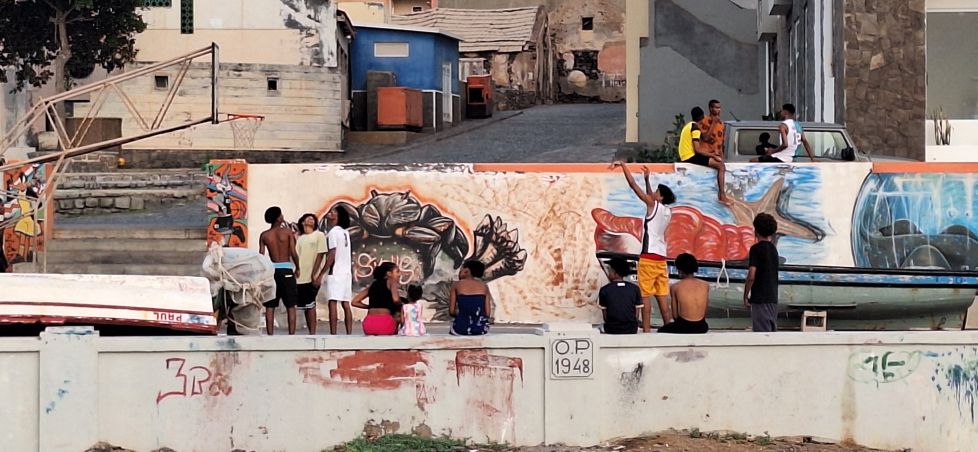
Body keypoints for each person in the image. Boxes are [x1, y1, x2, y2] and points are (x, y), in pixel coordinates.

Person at [612, 160, 676, 329]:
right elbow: (651, 200)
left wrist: (624, 166)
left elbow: (633, 185)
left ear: (660, 197)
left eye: (656, 191)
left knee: (645, 297)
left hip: (648, 258)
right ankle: (668, 327)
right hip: (661, 258)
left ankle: (647, 330)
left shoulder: (652, 205)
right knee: (662, 297)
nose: (653, 192)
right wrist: (648, 180)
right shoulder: (667, 211)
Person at [259, 206, 300, 335]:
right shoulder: (287, 232)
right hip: (286, 270)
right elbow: (293, 252)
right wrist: (298, 267)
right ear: (278, 218)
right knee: (290, 305)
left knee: (270, 306)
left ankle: (270, 335)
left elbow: (260, 256)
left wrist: (262, 274)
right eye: (281, 214)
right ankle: (291, 335)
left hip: (272, 271)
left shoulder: (264, 235)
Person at [678, 106, 731, 204]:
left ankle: (722, 195)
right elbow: (697, 150)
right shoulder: (695, 128)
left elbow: (705, 138)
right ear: (702, 117)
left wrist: (711, 153)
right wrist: (714, 156)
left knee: (715, 161)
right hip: (690, 157)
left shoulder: (689, 125)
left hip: (686, 155)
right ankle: (722, 195)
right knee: (721, 166)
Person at [743, 213, 780, 332]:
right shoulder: (774, 250)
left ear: (756, 231)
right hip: (772, 299)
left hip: (759, 299)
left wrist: (745, 295)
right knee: (771, 334)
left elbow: (751, 275)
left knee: (762, 336)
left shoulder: (755, 249)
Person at [658, 253, 709, 334]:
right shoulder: (705, 285)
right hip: (702, 327)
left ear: (679, 270)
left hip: (683, 326)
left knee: (661, 330)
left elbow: (675, 315)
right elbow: (705, 310)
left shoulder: (675, 287)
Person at [295, 213, 327, 335]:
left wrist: (315, 274)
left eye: (313, 219)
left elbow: (320, 254)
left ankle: (313, 332)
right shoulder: (300, 238)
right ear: (303, 222)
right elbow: (297, 256)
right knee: (305, 306)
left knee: (311, 303)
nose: (311, 220)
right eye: (308, 219)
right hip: (301, 276)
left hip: (312, 276)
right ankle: (309, 331)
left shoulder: (319, 235)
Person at [324, 206, 354, 335]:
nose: (330, 213)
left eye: (333, 212)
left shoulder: (332, 233)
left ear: (338, 216)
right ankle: (349, 332)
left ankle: (333, 333)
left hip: (336, 271)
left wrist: (322, 272)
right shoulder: (345, 233)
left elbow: (332, 253)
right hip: (346, 272)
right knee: (346, 303)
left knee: (332, 302)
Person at [351, 262, 401, 336]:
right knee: (398, 314)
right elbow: (396, 300)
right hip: (385, 324)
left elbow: (354, 302)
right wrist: (404, 305)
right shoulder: (391, 281)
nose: (399, 274)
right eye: (397, 272)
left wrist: (370, 307)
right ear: (389, 273)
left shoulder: (372, 285)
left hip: (369, 325)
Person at [598, 257, 644, 334]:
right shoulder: (635, 289)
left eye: (610, 270)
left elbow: (605, 317)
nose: (608, 272)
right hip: (631, 329)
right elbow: (636, 314)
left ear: (614, 272)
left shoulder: (604, 290)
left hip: (611, 329)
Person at [449, 260, 492, 336]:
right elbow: (487, 313)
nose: (459, 272)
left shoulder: (456, 285)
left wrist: (463, 314)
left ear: (466, 271)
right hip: (480, 329)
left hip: (460, 329)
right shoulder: (484, 286)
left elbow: (451, 311)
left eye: (461, 269)